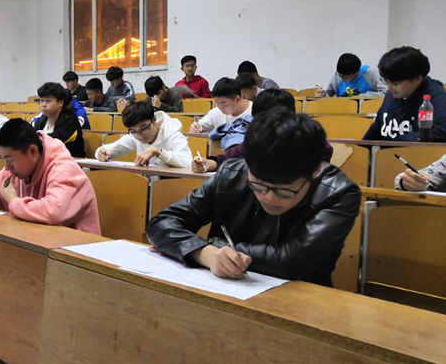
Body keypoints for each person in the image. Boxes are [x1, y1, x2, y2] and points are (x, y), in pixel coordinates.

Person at [147, 108, 361, 286]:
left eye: (284, 192)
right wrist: (206, 254)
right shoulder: (232, 173)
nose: (269, 198)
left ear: (314, 172)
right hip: (225, 289)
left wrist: (213, 245)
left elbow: (292, 261)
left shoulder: (338, 192)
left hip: (303, 296)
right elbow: (162, 223)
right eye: (258, 186)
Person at [0, 119, 101, 234]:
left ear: (32, 151)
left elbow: (53, 212)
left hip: (77, 253)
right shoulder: (17, 168)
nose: (7, 167)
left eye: (10, 160)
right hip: (41, 241)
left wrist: (13, 201)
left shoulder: (64, 170)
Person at [192, 89, 334, 173]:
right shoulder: (257, 141)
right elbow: (226, 159)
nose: (266, 129)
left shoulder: (310, 141)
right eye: (260, 123)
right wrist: (207, 164)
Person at [363, 47, 446, 142]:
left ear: (418, 78)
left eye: (395, 84)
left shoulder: (435, 95)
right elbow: (375, 131)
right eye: (387, 82)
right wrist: (359, 147)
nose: (389, 88)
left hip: (413, 151)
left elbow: (442, 131)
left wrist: (397, 142)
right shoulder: (393, 93)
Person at [95, 101, 192, 169]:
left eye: (144, 128)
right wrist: (101, 152)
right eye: (133, 131)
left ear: (154, 120)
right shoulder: (135, 136)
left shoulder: (174, 136)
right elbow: (108, 149)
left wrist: (157, 151)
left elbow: (188, 164)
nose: (140, 135)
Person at [32, 82, 86, 158]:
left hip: (69, 162)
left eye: (48, 101)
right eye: (41, 100)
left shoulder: (70, 121)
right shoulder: (41, 121)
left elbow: (53, 141)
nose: (43, 105)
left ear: (60, 103)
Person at [316, 53, 386, 97]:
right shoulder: (337, 76)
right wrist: (322, 94)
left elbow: (385, 93)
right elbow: (329, 95)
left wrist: (362, 96)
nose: (341, 78)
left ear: (357, 72)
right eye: (340, 74)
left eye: (345, 76)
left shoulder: (370, 74)